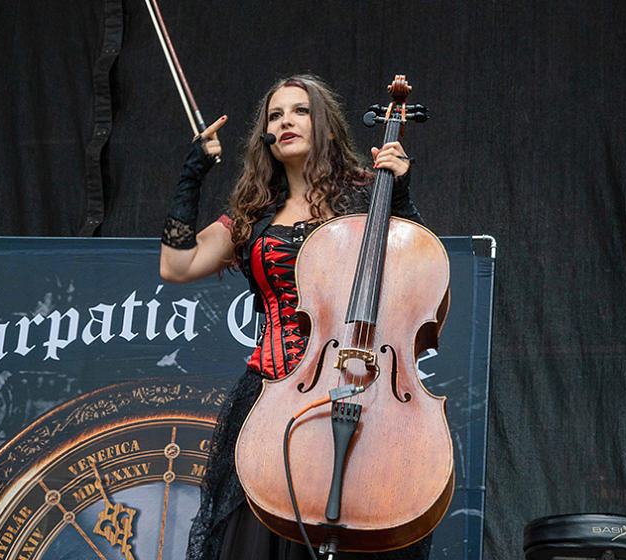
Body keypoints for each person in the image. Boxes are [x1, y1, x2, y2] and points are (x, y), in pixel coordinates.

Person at [160, 75, 430, 560]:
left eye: (300, 111)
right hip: (274, 394)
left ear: (326, 125)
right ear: (266, 137)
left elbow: (415, 271)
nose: (286, 121)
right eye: (275, 115)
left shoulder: (369, 197)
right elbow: (176, 265)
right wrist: (192, 173)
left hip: (366, 393)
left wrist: (401, 190)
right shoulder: (253, 216)